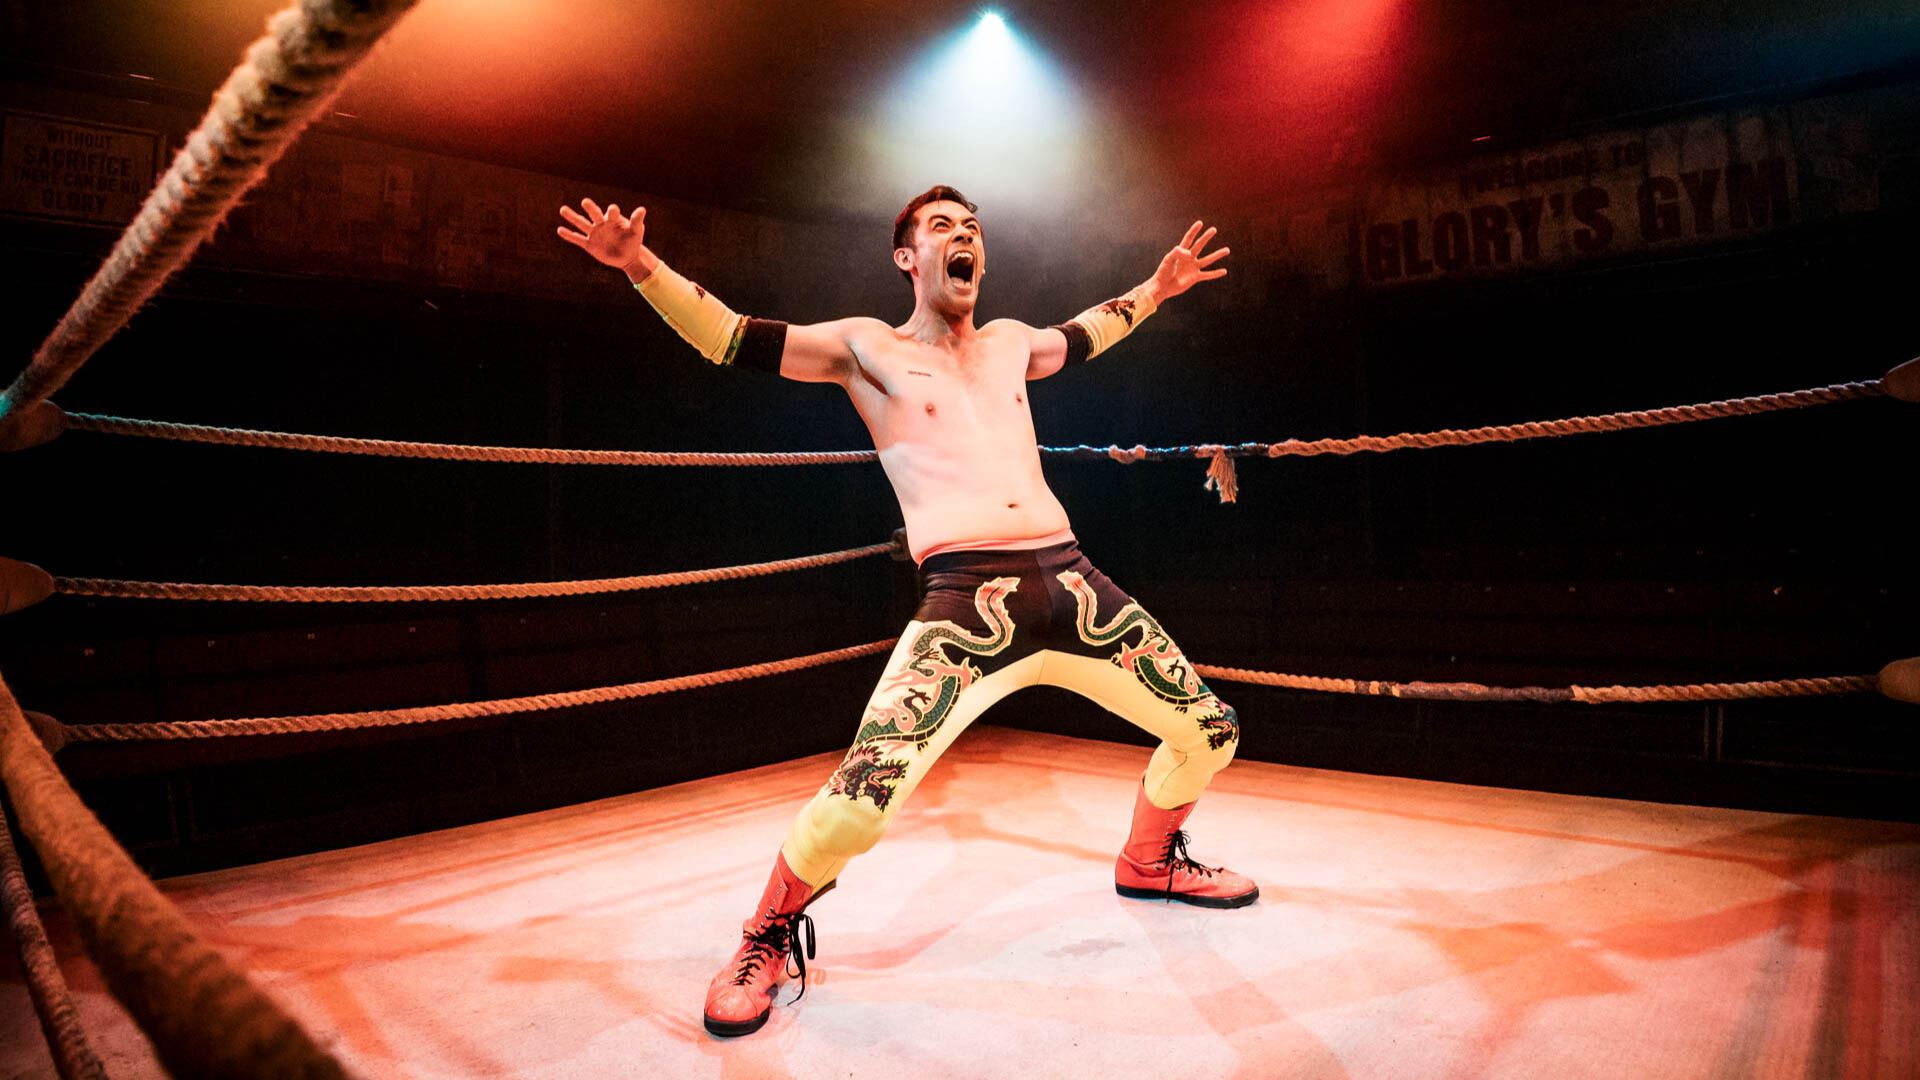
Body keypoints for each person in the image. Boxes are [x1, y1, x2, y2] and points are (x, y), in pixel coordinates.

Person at [558, 185, 1251, 1038]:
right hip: (965, 602)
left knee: (1210, 729)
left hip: (1074, 587)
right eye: (941, 227)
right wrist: (639, 268)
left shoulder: (1006, 344)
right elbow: (730, 335)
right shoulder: (866, 348)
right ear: (907, 256)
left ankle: (1149, 862)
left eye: (973, 228)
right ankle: (765, 935)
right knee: (859, 801)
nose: (962, 237)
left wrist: (1158, 286)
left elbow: (1085, 332)